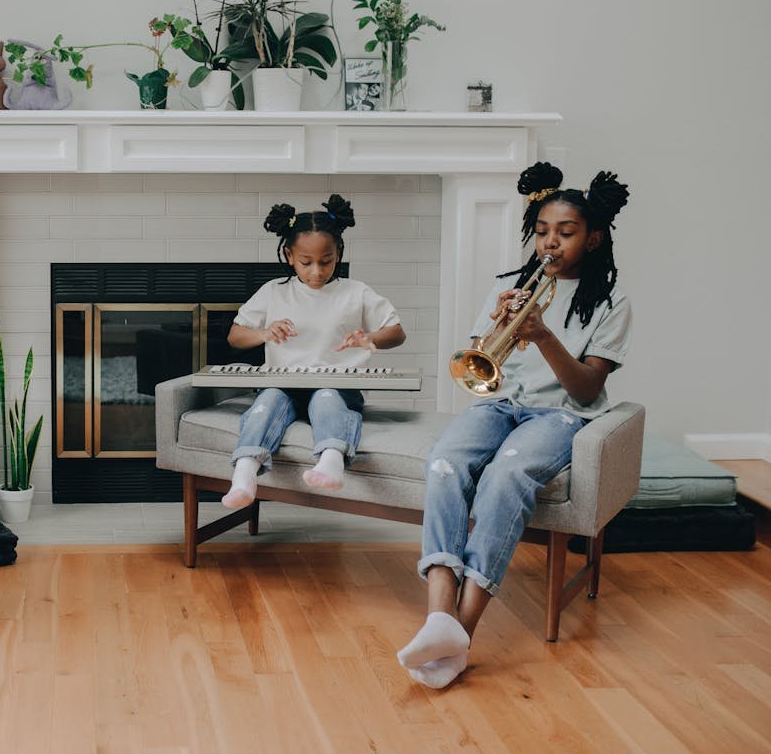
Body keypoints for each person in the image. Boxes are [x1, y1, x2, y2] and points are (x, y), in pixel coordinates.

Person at [398, 163, 631, 688]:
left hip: (562, 414)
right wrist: (499, 327)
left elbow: (588, 390)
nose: (551, 243)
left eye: (566, 233)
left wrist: (544, 336)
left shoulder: (611, 302)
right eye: (543, 231)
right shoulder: (510, 284)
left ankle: (463, 628)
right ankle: (438, 616)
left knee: (507, 475)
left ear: (592, 239)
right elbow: (479, 358)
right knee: (444, 463)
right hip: (499, 405)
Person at [221, 195, 407, 508]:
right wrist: (263, 332)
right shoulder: (273, 291)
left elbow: (397, 333)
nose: (317, 272)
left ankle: (331, 460)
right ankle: (244, 474)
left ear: (339, 254)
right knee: (266, 402)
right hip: (284, 383)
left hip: (337, 385)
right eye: (306, 262)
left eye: (327, 261)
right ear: (289, 255)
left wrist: (370, 337)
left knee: (326, 399)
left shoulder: (355, 292)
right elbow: (235, 337)